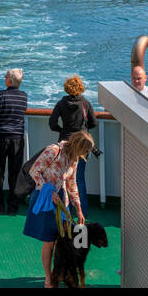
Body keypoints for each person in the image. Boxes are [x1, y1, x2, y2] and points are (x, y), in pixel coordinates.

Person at [23, 131, 94, 288]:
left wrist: (79, 208)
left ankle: (59, 272)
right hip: (46, 198)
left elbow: (71, 183)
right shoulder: (53, 151)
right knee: (49, 241)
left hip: (62, 200)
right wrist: (49, 192)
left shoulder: (74, 158)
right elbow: (34, 171)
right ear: (78, 146)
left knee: (61, 240)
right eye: (85, 150)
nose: (86, 153)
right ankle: (48, 279)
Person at [49, 75, 97, 216]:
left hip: (65, 144)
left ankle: (64, 209)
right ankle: (83, 210)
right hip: (82, 145)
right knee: (79, 177)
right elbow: (93, 123)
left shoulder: (61, 104)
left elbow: (52, 123)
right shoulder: (85, 103)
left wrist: (62, 130)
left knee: (63, 176)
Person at [0, 68, 28, 214]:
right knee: (15, 173)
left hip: (1, 138)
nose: (4, 78)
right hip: (17, 139)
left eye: (5, 77)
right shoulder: (24, 96)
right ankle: (13, 206)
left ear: (9, 81)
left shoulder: (0, 95)